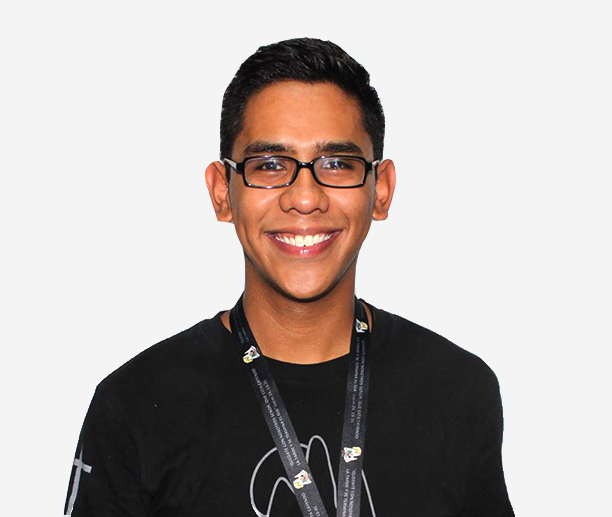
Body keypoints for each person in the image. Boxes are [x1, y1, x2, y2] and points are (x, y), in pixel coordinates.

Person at [64, 37, 514, 517]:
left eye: (337, 164)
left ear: (380, 191)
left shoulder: (458, 391)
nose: (304, 198)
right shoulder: (135, 405)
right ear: (222, 192)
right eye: (270, 165)